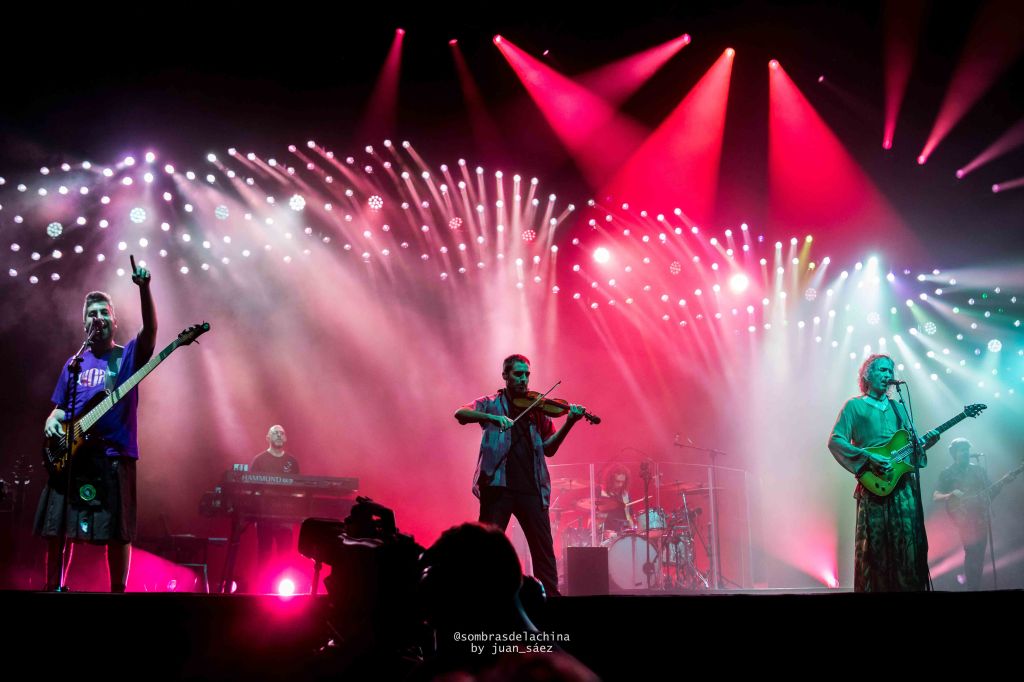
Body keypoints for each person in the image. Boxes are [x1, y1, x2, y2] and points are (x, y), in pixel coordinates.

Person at [36, 260, 156, 592]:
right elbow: (61, 409)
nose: (98, 317)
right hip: (73, 457)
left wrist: (144, 290)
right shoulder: (73, 363)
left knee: (117, 531)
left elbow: (150, 333)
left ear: (114, 321)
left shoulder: (125, 357)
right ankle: (53, 587)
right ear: (85, 323)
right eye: (92, 314)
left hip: (112, 456)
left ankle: (118, 592)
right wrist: (51, 420)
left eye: (104, 312)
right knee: (58, 527)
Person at [455, 354, 586, 597]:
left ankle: (551, 602)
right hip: (498, 487)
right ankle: (481, 599)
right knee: (486, 549)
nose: (524, 379)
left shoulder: (538, 409)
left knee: (543, 552)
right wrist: (493, 419)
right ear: (505, 375)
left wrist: (569, 423)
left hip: (532, 488)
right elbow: (460, 413)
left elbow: (549, 448)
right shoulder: (491, 403)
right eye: (518, 374)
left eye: (526, 374)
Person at [828, 353, 938, 591]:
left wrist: (923, 445)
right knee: (876, 548)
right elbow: (835, 441)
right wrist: (868, 457)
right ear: (867, 375)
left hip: (903, 488)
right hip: (874, 486)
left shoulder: (899, 408)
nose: (888, 375)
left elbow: (909, 449)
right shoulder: (854, 406)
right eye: (882, 370)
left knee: (908, 546)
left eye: (890, 371)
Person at [933, 438, 991, 590]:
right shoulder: (947, 473)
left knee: (980, 555)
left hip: (980, 518)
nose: (966, 453)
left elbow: (990, 492)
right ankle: (972, 587)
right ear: (954, 453)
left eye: (967, 449)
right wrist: (950, 494)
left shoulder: (978, 470)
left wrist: (1005, 481)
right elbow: (936, 496)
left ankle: (975, 586)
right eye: (962, 450)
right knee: (972, 552)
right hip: (963, 518)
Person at [250, 425, 300, 571]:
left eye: (281, 433)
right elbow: (252, 489)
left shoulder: (292, 462)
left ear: (285, 438)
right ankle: (261, 583)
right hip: (264, 516)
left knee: (285, 556)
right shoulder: (259, 460)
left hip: (285, 517)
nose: (279, 435)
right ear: (268, 438)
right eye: (275, 433)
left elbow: (298, 489)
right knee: (264, 553)